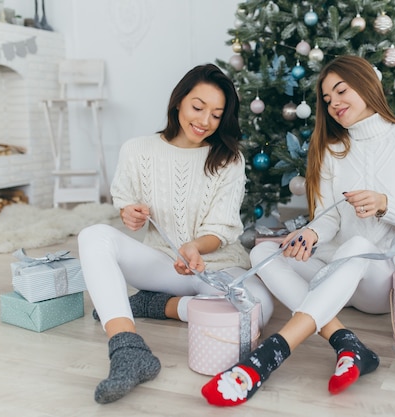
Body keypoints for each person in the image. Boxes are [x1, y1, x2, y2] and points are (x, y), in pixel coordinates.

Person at [201, 55, 395, 406]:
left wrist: (385, 203)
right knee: (263, 252)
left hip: (377, 278)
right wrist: (311, 233)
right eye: (327, 100)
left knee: (357, 244)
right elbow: (329, 218)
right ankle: (346, 342)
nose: (334, 104)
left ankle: (268, 357)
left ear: (367, 85)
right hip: (335, 267)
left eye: (341, 91)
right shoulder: (333, 149)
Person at [77, 63, 274, 404]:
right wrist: (130, 214)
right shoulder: (137, 150)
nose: (205, 121)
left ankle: (156, 305)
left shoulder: (229, 158)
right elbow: (127, 206)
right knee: (93, 235)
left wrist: (195, 247)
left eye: (216, 114)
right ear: (179, 101)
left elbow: (222, 228)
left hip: (215, 266)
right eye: (198, 107)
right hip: (161, 265)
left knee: (258, 309)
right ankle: (128, 349)